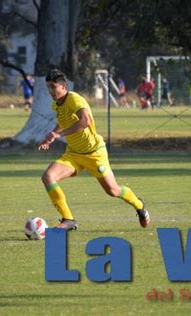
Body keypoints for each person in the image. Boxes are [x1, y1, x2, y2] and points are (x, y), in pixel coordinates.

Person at [38, 69, 150, 230]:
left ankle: (139, 205)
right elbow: (63, 121)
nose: (50, 91)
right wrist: (53, 134)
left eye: (53, 87)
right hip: (73, 154)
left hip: (94, 153)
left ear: (63, 86)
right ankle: (68, 219)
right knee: (48, 177)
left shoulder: (74, 99)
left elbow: (85, 121)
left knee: (113, 190)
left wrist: (59, 134)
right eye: (48, 87)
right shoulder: (56, 103)